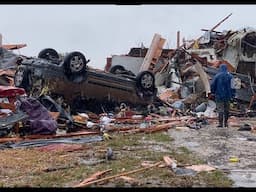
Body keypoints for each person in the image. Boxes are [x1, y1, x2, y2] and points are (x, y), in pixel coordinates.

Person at [210, 64, 236, 128]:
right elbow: (233, 87)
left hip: (219, 96)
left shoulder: (217, 76)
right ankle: (226, 123)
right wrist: (233, 95)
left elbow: (212, 85)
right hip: (228, 96)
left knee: (220, 110)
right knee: (227, 110)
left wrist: (213, 92)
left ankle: (220, 124)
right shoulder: (231, 76)